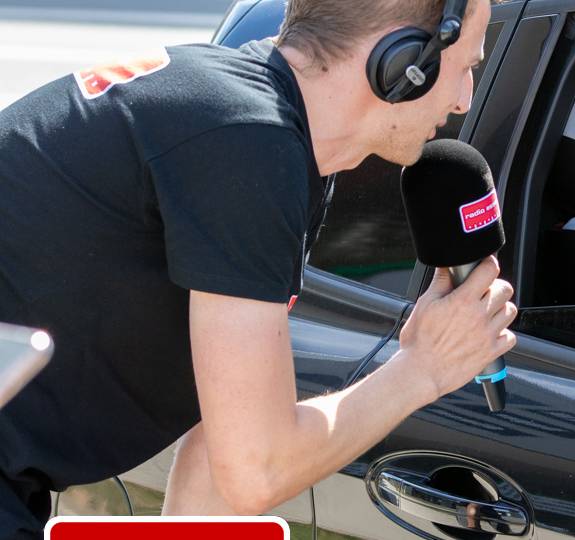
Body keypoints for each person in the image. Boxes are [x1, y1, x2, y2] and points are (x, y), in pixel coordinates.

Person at [0, 0, 513, 534]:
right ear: (404, 59)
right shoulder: (248, 140)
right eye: (468, 67)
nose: (464, 100)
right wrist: (423, 369)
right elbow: (256, 469)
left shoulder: (264, 129)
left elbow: (223, 448)